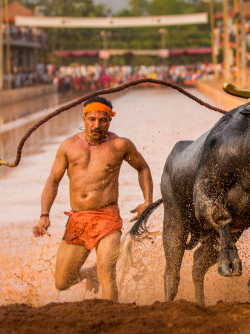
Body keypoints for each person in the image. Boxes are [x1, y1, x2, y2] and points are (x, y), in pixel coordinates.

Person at [34, 96, 153, 301]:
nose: (96, 125)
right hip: (79, 220)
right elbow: (53, 180)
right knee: (62, 282)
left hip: (107, 218)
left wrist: (147, 201)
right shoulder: (68, 146)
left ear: (110, 120)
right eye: (91, 119)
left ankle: (111, 320)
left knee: (106, 272)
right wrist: (44, 214)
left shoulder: (120, 145)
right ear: (84, 118)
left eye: (103, 120)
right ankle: (90, 273)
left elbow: (142, 168)